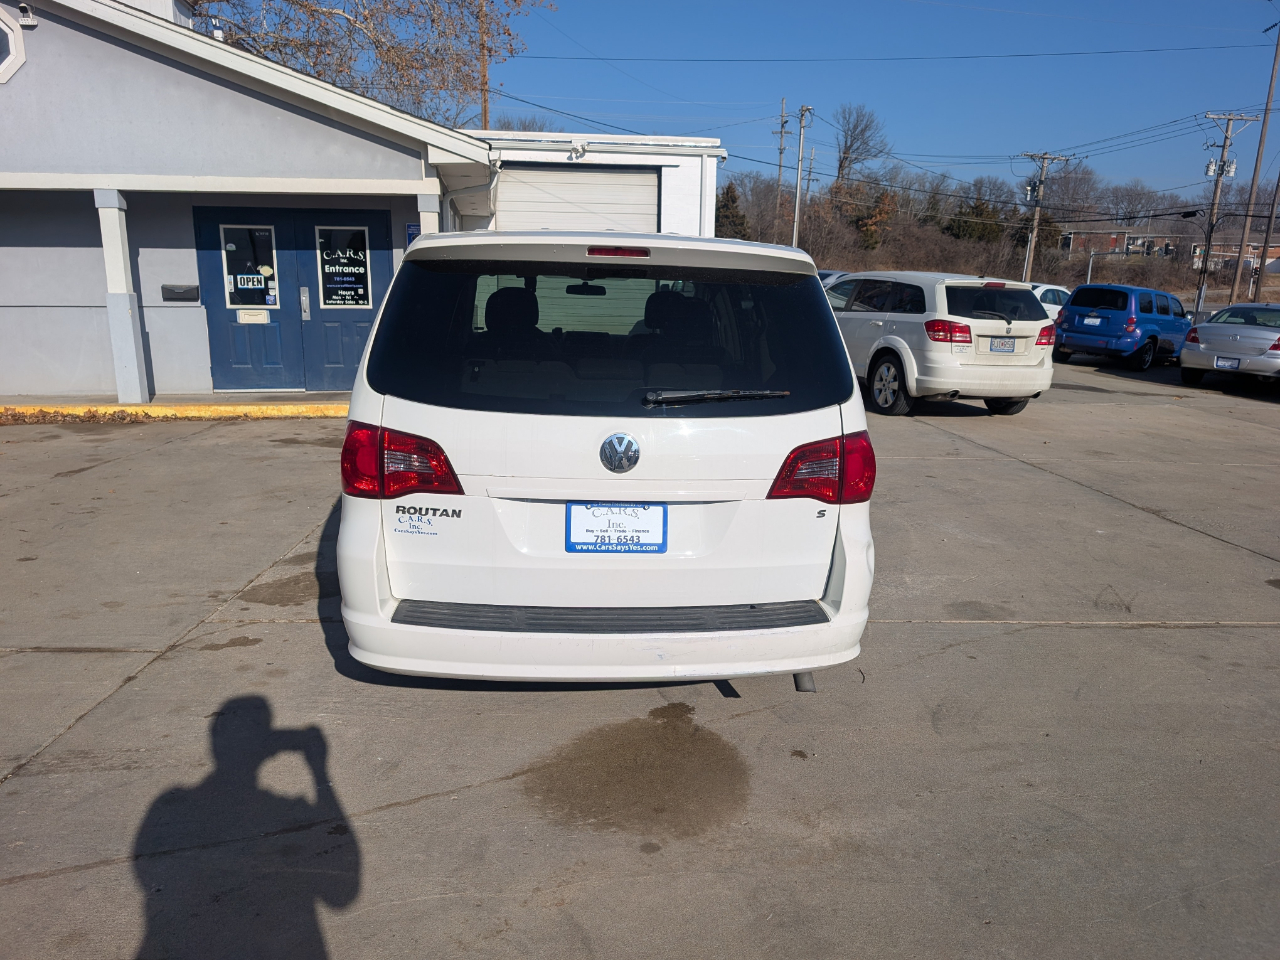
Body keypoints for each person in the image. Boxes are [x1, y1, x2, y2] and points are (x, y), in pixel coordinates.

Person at [133, 696, 359, 959]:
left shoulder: (171, 807)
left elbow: (148, 874)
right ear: (267, 748)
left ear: (215, 744)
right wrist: (319, 771)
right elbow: (341, 894)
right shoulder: (285, 813)